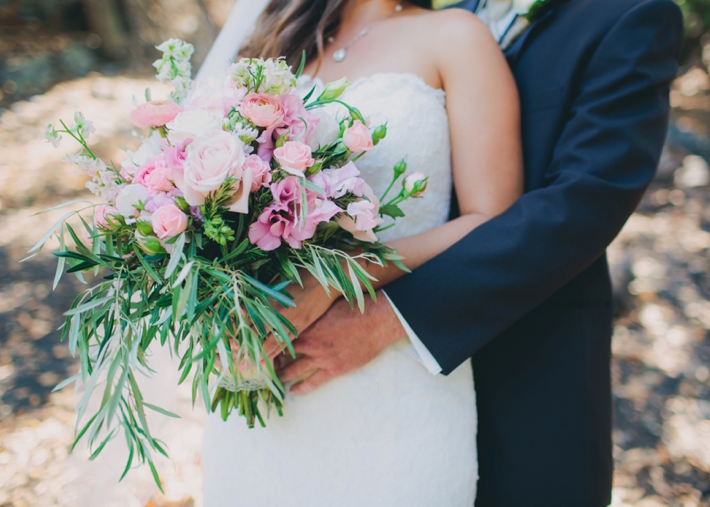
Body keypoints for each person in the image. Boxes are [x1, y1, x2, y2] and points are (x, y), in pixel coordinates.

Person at [261, 0, 684, 505]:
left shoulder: (628, 16)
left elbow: (580, 207)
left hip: (529, 363)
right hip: (328, 378)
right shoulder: (434, 18)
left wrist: (380, 311)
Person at [200, 1, 522, 505]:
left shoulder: (456, 36)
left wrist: (338, 277)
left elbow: (495, 223)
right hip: (264, 397)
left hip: (391, 391)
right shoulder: (277, 40)